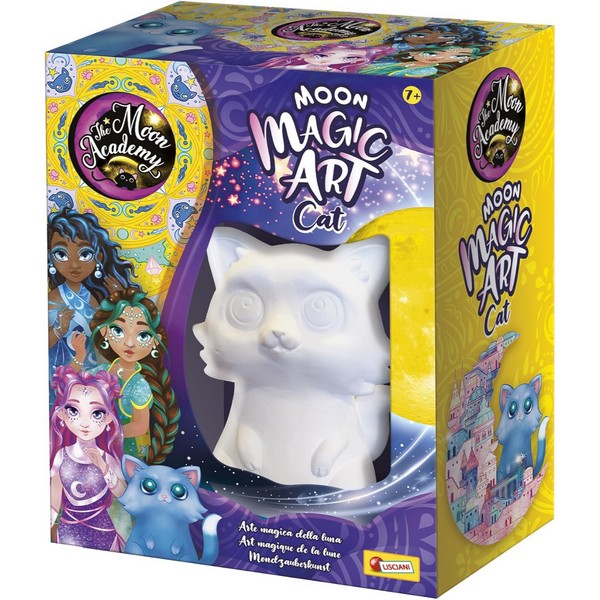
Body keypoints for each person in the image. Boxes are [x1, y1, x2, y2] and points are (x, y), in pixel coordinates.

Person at [50, 366, 126, 551]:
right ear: (62, 414)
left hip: (104, 535)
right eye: (73, 410)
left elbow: (123, 495)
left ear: (108, 418)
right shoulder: (61, 455)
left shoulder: (107, 459)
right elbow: (53, 500)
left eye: (96, 413)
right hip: (67, 534)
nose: (85, 423)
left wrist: (103, 467)